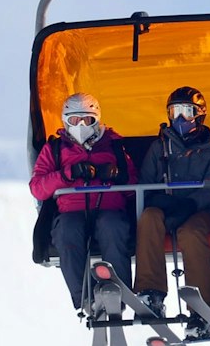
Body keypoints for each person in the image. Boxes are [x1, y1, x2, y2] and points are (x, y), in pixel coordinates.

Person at [131, 86, 210, 340]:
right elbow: (146, 184)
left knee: (191, 232)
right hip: (168, 207)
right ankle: (150, 292)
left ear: (199, 115)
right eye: (174, 111)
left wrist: (188, 205)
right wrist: (163, 202)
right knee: (150, 217)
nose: (179, 119)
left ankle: (201, 310)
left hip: (202, 211)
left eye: (186, 112)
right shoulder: (160, 148)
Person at [31, 93, 135, 311]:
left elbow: (133, 187)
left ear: (96, 120)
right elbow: (38, 187)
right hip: (71, 210)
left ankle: (121, 293)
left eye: (87, 120)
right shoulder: (56, 150)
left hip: (108, 207)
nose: (80, 126)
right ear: (65, 121)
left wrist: (117, 176)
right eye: (74, 120)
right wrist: (67, 174)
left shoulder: (113, 146)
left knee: (113, 227)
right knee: (67, 232)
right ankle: (85, 299)